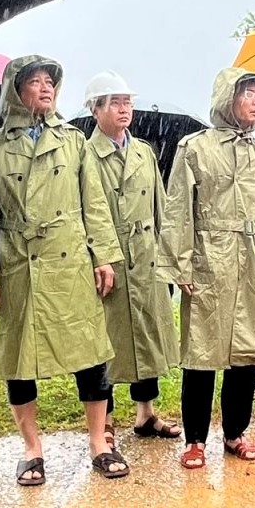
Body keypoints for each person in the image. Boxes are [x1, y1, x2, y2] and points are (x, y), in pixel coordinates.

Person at [0, 56, 127, 485]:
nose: (45, 87)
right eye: (34, 82)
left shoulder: (74, 142)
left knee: (90, 352)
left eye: (49, 81)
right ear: (16, 91)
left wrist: (104, 255)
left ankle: (99, 442)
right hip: (19, 261)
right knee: (19, 358)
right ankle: (32, 449)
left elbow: (94, 202)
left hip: (70, 257)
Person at [159, 68, 255, 469]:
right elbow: (178, 209)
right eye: (248, 92)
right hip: (209, 257)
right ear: (227, 98)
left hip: (253, 258)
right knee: (201, 352)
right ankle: (195, 439)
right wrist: (179, 264)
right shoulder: (195, 147)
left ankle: (235, 433)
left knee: (248, 353)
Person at [83, 72, 179, 439]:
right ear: (96, 109)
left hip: (147, 251)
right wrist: (96, 255)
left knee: (148, 332)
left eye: (128, 103)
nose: (124, 110)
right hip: (109, 256)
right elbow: (86, 212)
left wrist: (168, 255)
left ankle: (146, 412)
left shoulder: (143, 151)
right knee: (108, 339)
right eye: (115, 102)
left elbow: (161, 207)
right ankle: (104, 421)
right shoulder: (86, 153)